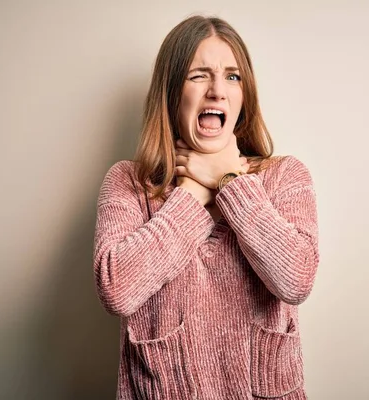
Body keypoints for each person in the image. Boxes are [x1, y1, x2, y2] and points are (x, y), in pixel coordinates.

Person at [93, 15, 319, 400]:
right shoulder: (128, 182)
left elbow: (296, 279)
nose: (217, 90)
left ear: (244, 96)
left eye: (232, 77)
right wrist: (194, 192)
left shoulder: (285, 176)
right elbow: (117, 290)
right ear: (171, 93)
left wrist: (229, 181)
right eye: (199, 75)